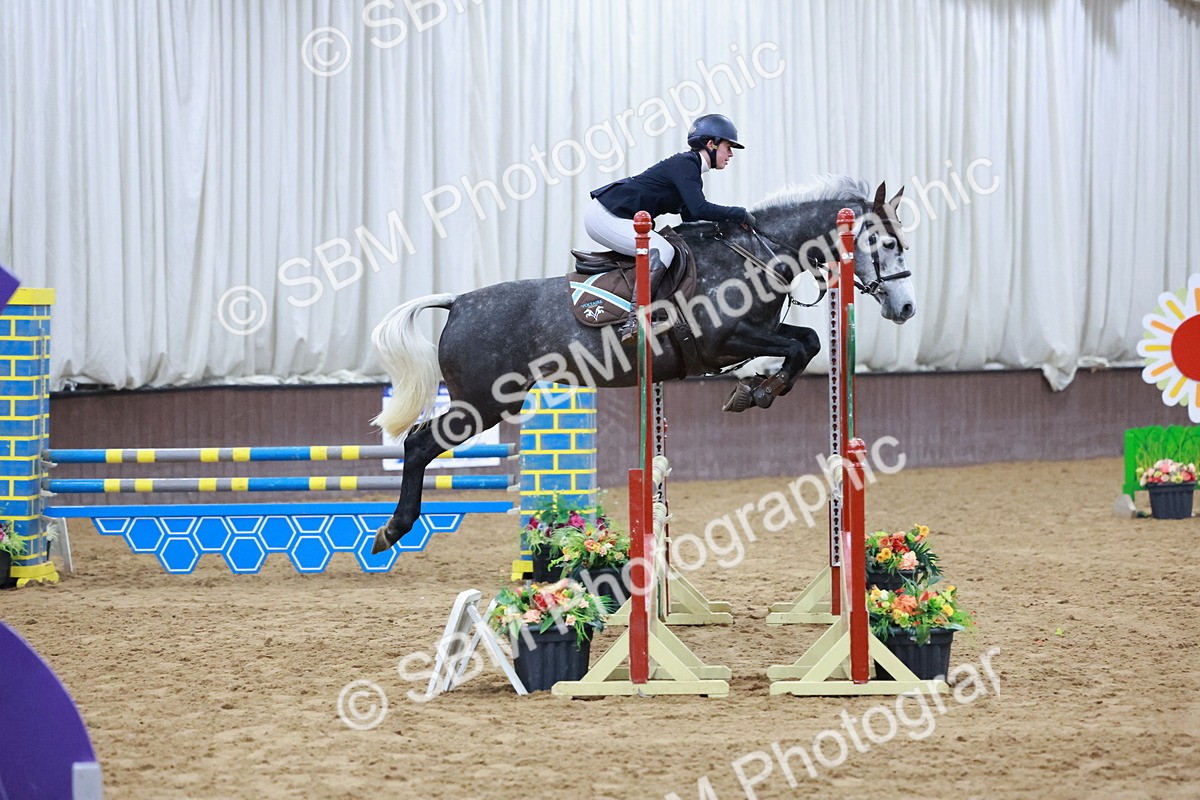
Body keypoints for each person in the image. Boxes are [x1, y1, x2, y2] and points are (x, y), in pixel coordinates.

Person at [585, 113, 756, 340]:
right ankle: (634, 321)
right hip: (605, 215)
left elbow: (691, 222)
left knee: (671, 248)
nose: (731, 154)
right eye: (728, 146)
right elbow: (699, 208)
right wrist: (739, 213)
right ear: (711, 144)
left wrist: (725, 233)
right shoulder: (686, 164)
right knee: (662, 250)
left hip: (616, 214)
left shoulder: (691, 170)